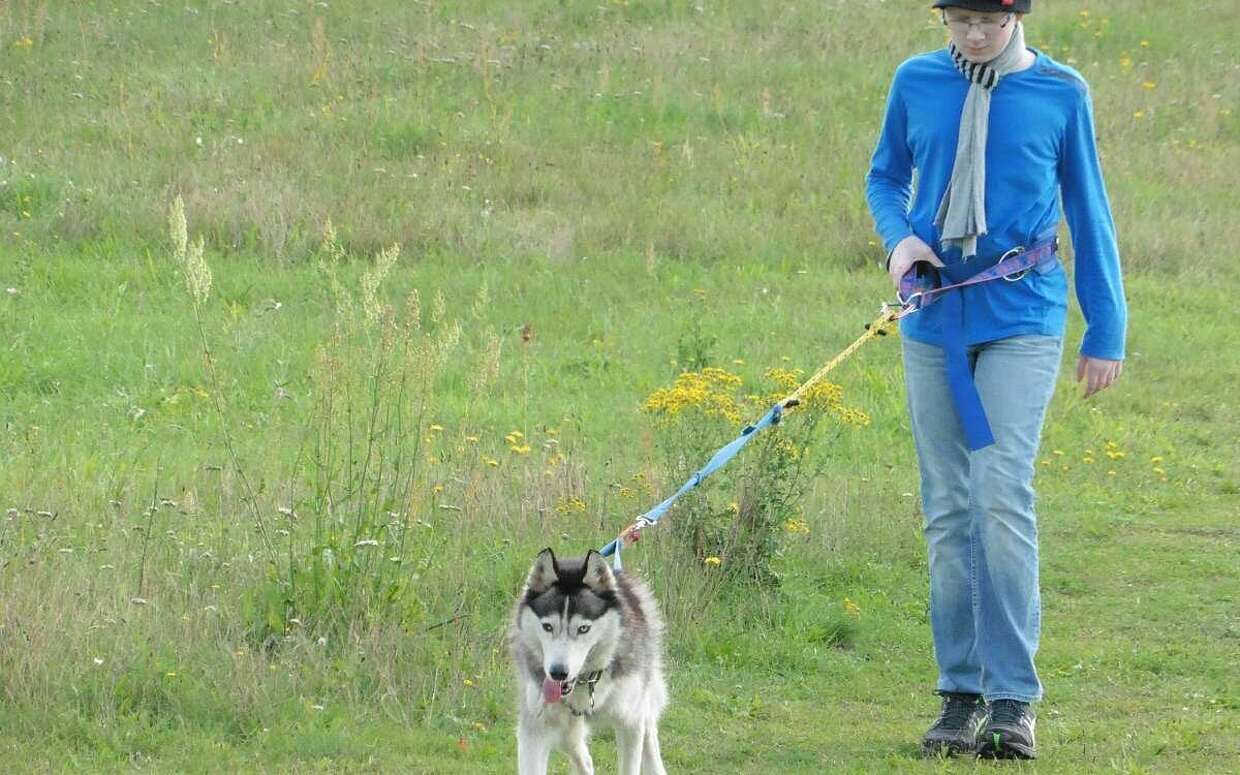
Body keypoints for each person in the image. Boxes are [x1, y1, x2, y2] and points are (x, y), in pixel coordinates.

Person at [865, 0, 1127, 760]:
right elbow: (885, 176)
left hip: (1024, 313)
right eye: (960, 19)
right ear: (942, 18)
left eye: (990, 19)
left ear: (1018, 17)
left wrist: (1105, 325)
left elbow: (1089, 206)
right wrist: (901, 240)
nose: (974, 34)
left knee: (1000, 492)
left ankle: (1014, 699)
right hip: (935, 317)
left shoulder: (1060, 92)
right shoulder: (916, 81)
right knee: (947, 507)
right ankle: (959, 693)